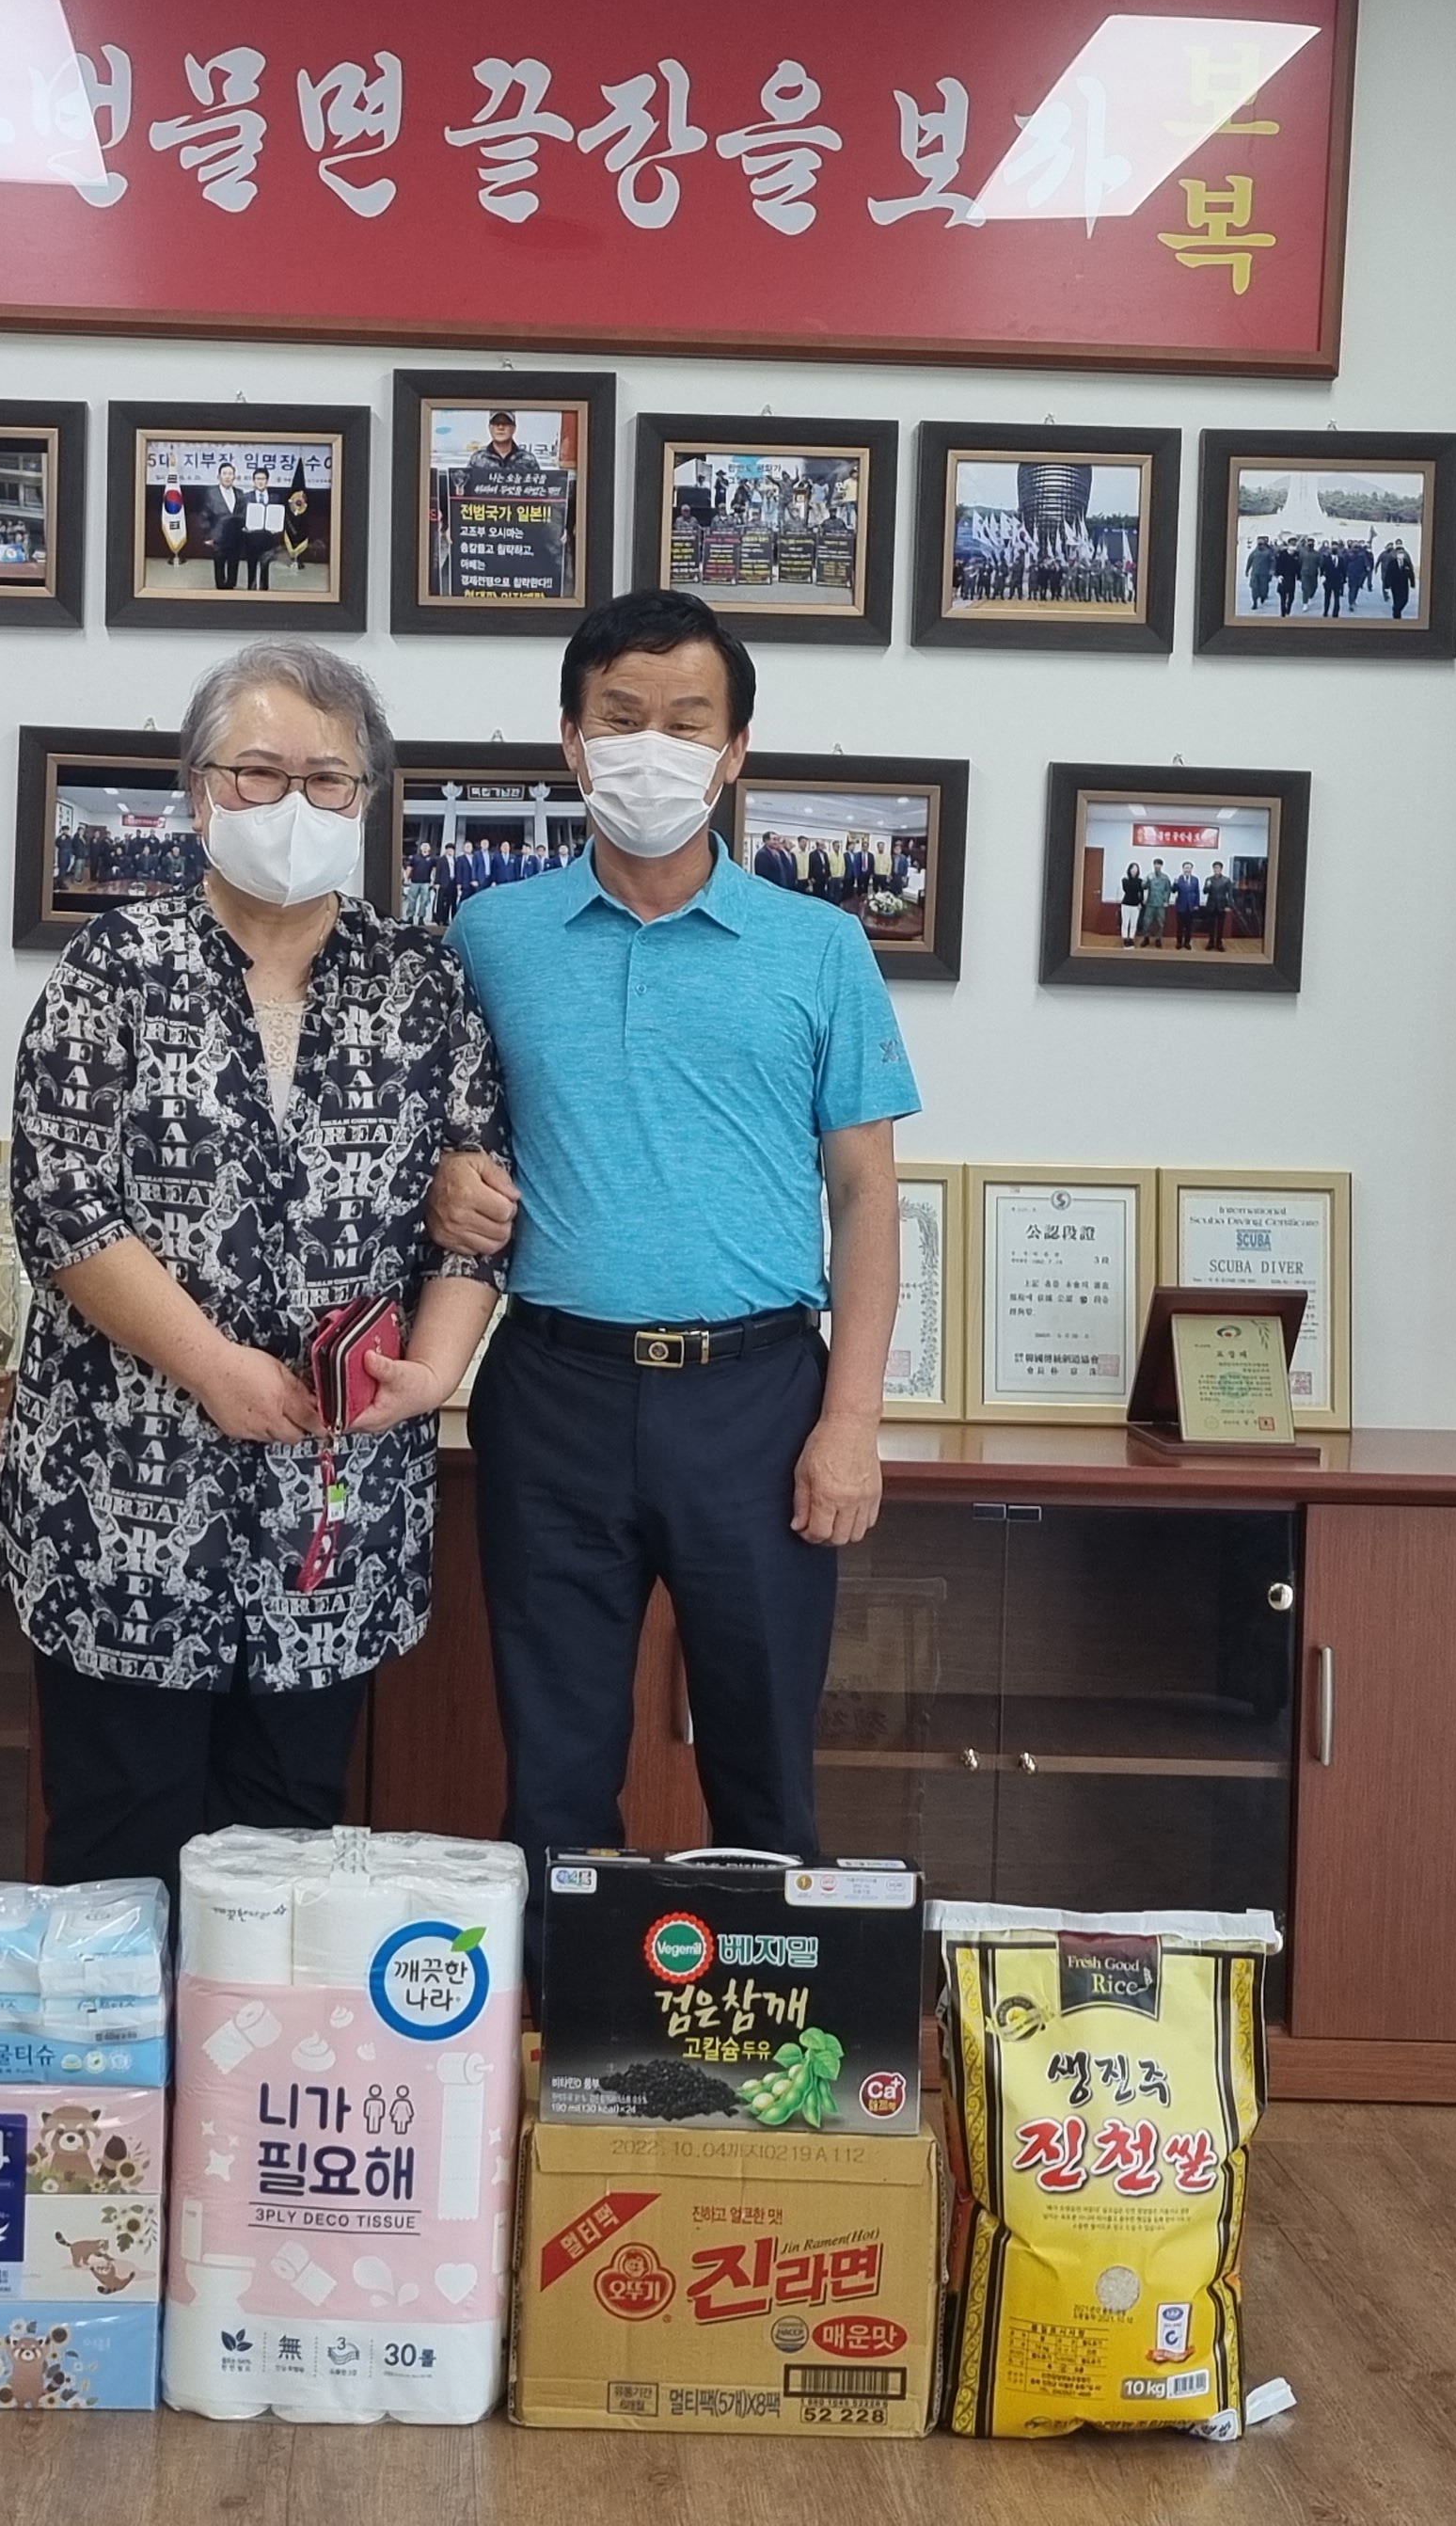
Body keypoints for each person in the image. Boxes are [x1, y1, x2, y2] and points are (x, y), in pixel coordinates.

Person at [426, 589, 916, 1971]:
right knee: (555, 1776)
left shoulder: (817, 947)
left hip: (758, 1398)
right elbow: (437, 1139)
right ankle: (558, 2055)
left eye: (687, 724)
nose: (653, 747)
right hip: (554, 1389)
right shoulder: (490, 937)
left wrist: (852, 1419)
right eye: (621, 719)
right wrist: (445, 1182)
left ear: (736, 750)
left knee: (764, 1772)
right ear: (571, 742)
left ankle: (774, 2064)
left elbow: (868, 1195)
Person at [1, 642, 508, 1888]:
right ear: (199, 793)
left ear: (365, 800)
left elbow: (480, 1205)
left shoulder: (424, 983)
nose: (294, 804)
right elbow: (62, 1204)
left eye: (327, 779)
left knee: (283, 1861)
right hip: (126, 1493)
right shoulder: (114, 970)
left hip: (331, 1508)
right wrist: (213, 1366)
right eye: (260, 772)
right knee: (120, 1843)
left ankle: (248, 2035)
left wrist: (436, 1368)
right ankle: (118, 2034)